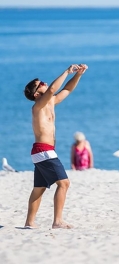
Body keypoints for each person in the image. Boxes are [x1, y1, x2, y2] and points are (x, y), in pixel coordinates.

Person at [23, 64, 88, 229]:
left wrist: (78, 75)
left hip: (44, 151)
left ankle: (30, 222)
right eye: (41, 83)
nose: (44, 83)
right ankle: (57, 221)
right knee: (64, 183)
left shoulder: (49, 103)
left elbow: (66, 89)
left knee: (39, 188)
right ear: (36, 93)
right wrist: (67, 71)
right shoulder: (38, 106)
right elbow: (52, 89)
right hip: (43, 150)